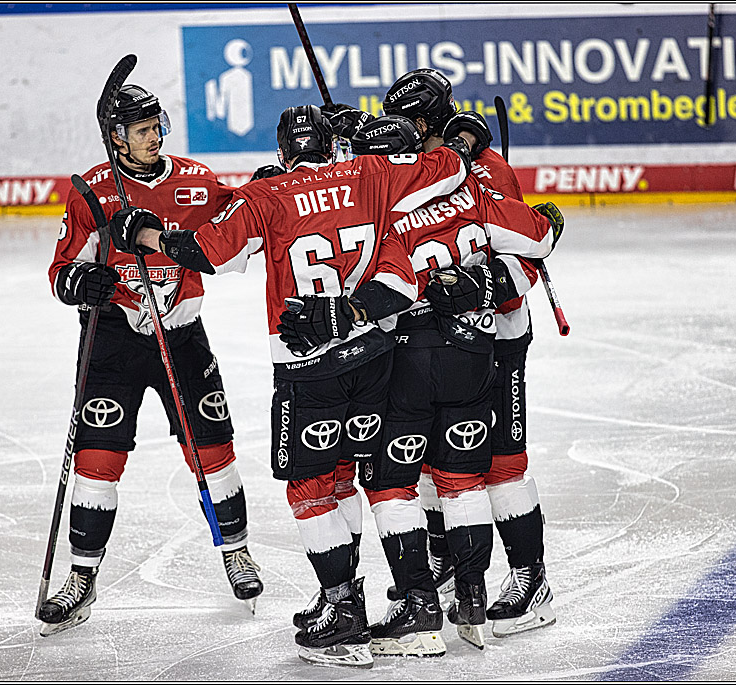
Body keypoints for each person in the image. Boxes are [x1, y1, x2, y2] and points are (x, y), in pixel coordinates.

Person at [112, 104, 485, 667]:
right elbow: (451, 169)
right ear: (333, 144)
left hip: (307, 369)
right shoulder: (371, 173)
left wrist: (143, 233)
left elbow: (204, 252)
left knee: (311, 490)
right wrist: (441, 137)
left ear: (283, 153)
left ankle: (343, 612)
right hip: (376, 354)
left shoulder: (267, 196)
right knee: (385, 484)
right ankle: (418, 608)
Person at [280, 114, 561, 651]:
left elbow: (383, 286)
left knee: (399, 481)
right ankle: (467, 591)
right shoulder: (467, 188)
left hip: (432, 356)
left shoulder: (381, 209)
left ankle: (430, 601)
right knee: (460, 475)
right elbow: (541, 236)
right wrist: (486, 281)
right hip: (474, 353)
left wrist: (335, 316)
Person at [39, 84, 263, 636]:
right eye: (142, 130)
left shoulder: (195, 179)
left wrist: (269, 186)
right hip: (114, 339)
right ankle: (82, 579)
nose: (156, 136)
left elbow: (237, 218)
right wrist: (83, 281)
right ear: (117, 137)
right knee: (98, 459)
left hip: (182, 336)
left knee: (214, 450)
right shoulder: (92, 190)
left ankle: (235, 550)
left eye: (158, 125)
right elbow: (61, 271)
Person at [379, 68, 557, 637]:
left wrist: (475, 282)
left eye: (405, 122)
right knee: (435, 464)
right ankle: (450, 569)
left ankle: (532, 580)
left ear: (425, 121)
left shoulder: (484, 169)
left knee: (502, 464)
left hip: (497, 339)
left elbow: (528, 258)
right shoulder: (410, 172)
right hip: (432, 346)